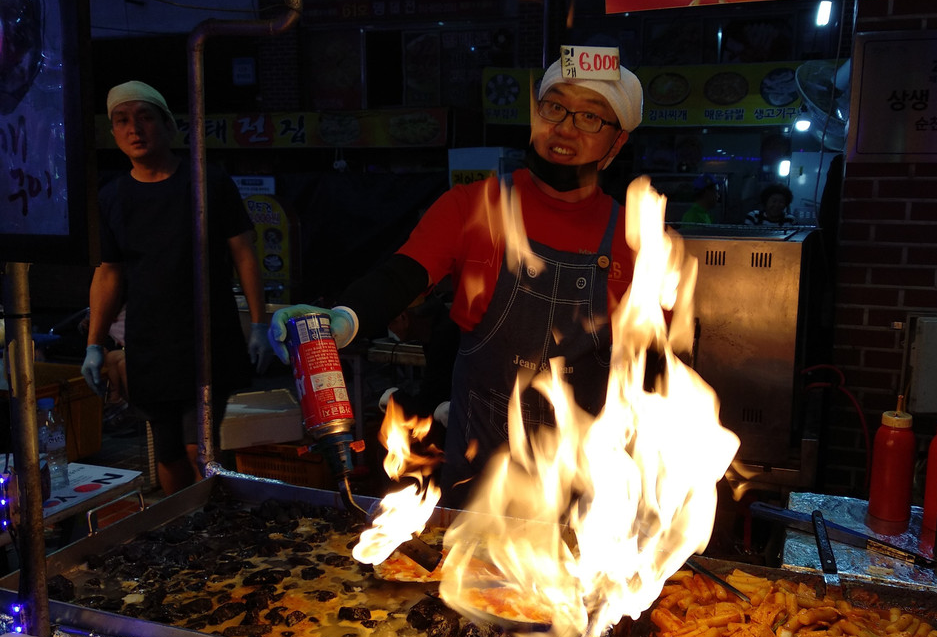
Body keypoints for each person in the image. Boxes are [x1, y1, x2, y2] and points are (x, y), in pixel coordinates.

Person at [270, 54, 643, 508]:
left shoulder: (636, 239)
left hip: (583, 481)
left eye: (589, 116)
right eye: (554, 107)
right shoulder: (472, 206)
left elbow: (653, 364)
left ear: (617, 142)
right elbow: (403, 274)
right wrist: (342, 320)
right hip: (478, 473)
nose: (565, 128)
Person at [81, 81, 275, 494]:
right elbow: (109, 272)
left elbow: (243, 252)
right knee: (167, 452)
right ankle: (185, 532)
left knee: (198, 449)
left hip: (207, 337)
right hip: (150, 343)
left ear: (168, 125)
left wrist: (259, 323)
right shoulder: (113, 197)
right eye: (122, 120)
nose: (135, 128)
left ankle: (215, 523)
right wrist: (95, 345)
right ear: (113, 133)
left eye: (145, 117)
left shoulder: (208, 182)